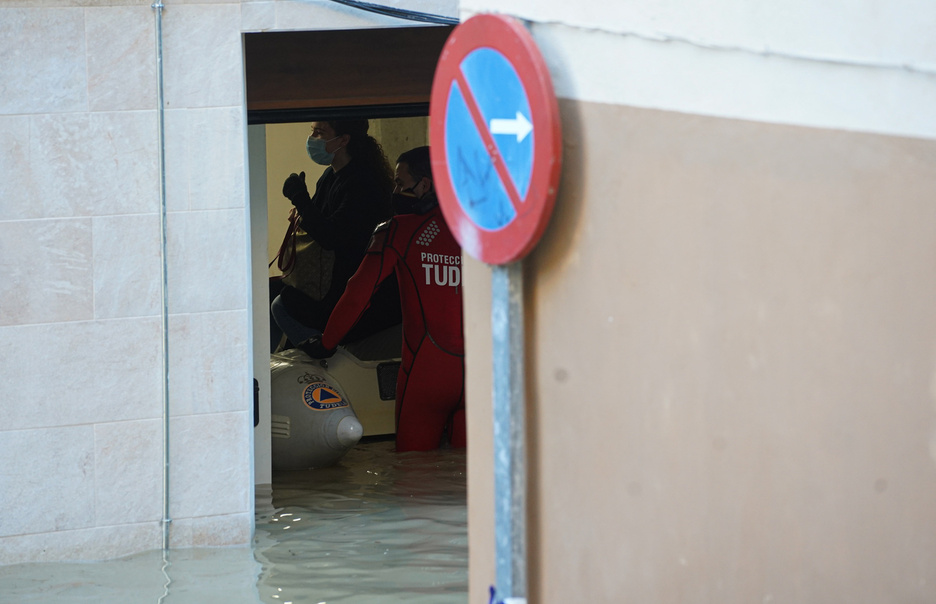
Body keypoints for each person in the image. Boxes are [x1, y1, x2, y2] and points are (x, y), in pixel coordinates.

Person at [301, 146, 466, 452]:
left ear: (425, 186)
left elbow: (357, 296)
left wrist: (326, 342)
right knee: (472, 480)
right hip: (480, 375)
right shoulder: (483, 231)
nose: (394, 190)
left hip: (425, 374)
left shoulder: (397, 232)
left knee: (413, 478)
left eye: (400, 183)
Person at [271, 119, 400, 350]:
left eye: (320, 133)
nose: (312, 140)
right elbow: (318, 222)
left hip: (352, 288)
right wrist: (302, 209)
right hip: (328, 278)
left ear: (343, 140)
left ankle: (322, 354)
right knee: (270, 290)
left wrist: (301, 199)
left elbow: (332, 236)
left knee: (281, 304)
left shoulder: (363, 182)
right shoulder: (330, 176)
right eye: (313, 132)